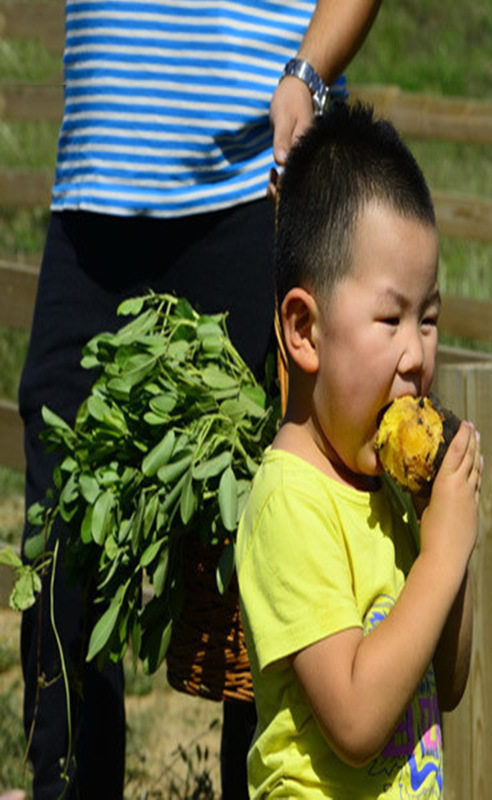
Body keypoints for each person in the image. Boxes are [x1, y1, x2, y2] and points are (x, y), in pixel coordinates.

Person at [17, 1, 381, 797]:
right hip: (94, 198)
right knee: (60, 557)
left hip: (258, 188)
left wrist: (308, 72)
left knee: (274, 542)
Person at [235, 102, 481, 798]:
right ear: (304, 330)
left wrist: (452, 538)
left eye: (428, 319)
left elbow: (449, 680)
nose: (416, 355)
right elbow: (356, 717)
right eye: (390, 318)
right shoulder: (290, 500)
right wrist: (441, 553)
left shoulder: (389, 491)